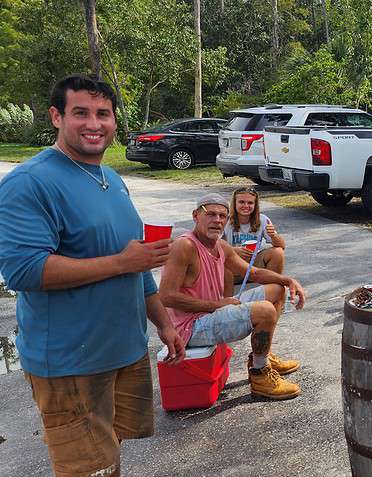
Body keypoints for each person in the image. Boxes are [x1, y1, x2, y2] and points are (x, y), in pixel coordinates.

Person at [0, 74, 185, 477]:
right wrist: (122, 263)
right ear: (56, 116)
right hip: (70, 364)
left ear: (115, 120)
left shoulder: (112, 179)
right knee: (87, 470)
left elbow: (139, 264)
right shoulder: (30, 183)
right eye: (80, 113)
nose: (94, 124)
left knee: (109, 456)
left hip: (121, 351)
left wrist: (164, 323)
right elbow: (24, 270)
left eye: (103, 114)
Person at [160, 193, 308, 400]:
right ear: (195, 216)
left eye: (222, 216)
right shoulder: (184, 246)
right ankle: (259, 374)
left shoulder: (220, 246)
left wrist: (289, 281)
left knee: (275, 289)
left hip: (210, 312)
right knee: (264, 310)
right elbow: (166, 296)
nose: (217, 220)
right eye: (210, 214)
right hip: (189, 327)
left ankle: (262, 356)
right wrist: (216, 304)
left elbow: (254, 273)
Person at [223, 186, 285, 287]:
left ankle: (273, 289)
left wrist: (273, 235)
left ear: (255, 205)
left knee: (278, 252)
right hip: (232, 266)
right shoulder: (225, 220)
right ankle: (227, 299)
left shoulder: (263, 219)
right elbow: (211, 247)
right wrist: (233, 250)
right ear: (234, 203)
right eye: (241, 202)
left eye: (250, 203)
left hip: (254, 266)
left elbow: (282, 246)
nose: (246, 206)